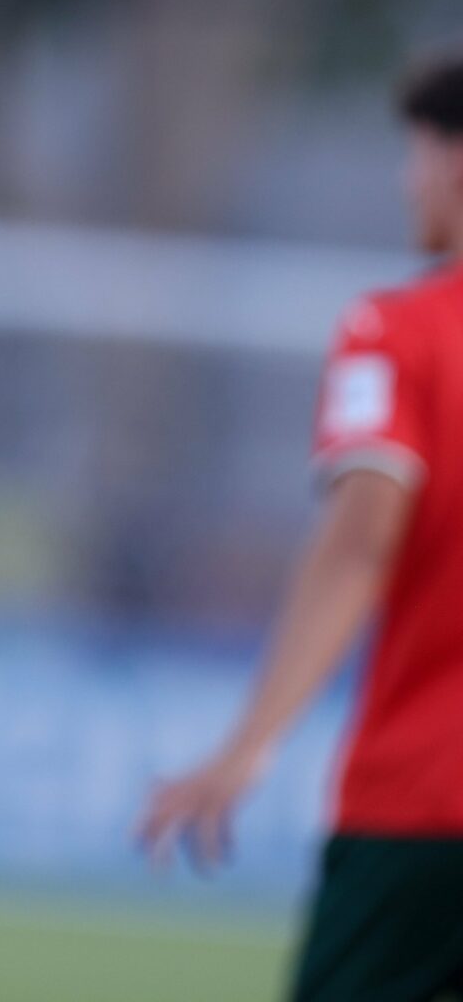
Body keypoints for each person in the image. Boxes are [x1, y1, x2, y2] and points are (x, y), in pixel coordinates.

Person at [138, 52, 463, 1001]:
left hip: (428, 803)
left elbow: (360, 547)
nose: (406, 181)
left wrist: (248, 746)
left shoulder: (399, 333)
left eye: (417, 152)